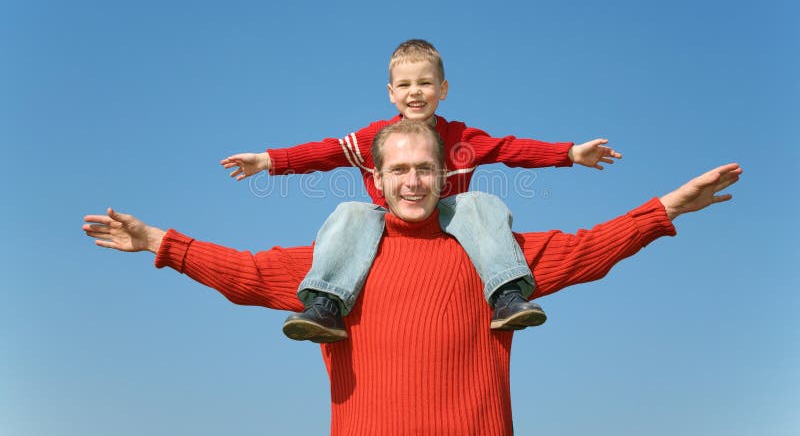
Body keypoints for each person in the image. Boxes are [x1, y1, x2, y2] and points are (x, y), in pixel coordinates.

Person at [84, 120, 741, 436]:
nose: (412, 181)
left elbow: (591, 249)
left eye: (424, 168)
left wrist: (669, 207)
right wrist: (159, 242)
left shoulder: (492, 254)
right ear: (378, 178)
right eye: (397, 170)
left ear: (445, 174)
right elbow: (249, 274)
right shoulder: (340, 263)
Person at [219, 39, 623, 342]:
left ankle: (505, 295)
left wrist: (569, 153)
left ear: (442, 89)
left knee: (478, 202)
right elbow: (323, 152)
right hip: (390, 223)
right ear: (391, 93)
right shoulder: (373, 137)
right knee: (351, 212)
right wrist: (267, 160)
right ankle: (325, 305)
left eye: (425, 83)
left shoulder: (460, 137)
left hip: (446, 222)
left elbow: (511, 149)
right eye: (405, 84)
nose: (415, 92)